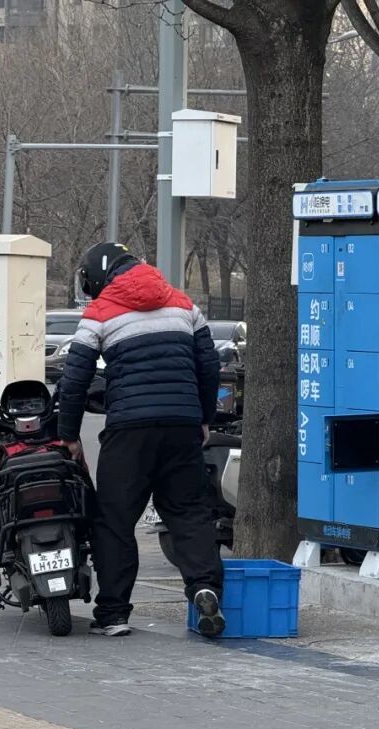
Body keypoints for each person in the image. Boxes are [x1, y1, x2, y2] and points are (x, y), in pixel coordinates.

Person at [58, 241, 225, 638]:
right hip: (182, 425)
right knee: (188, 511)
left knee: (114, 520)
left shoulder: (99, 312)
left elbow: (75, 378)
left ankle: (114, 614)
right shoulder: (184, 304)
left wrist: (68, 435)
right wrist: (204, 417)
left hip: (129, 429)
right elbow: (209, 366)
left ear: (96, 278)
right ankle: (204, 588)